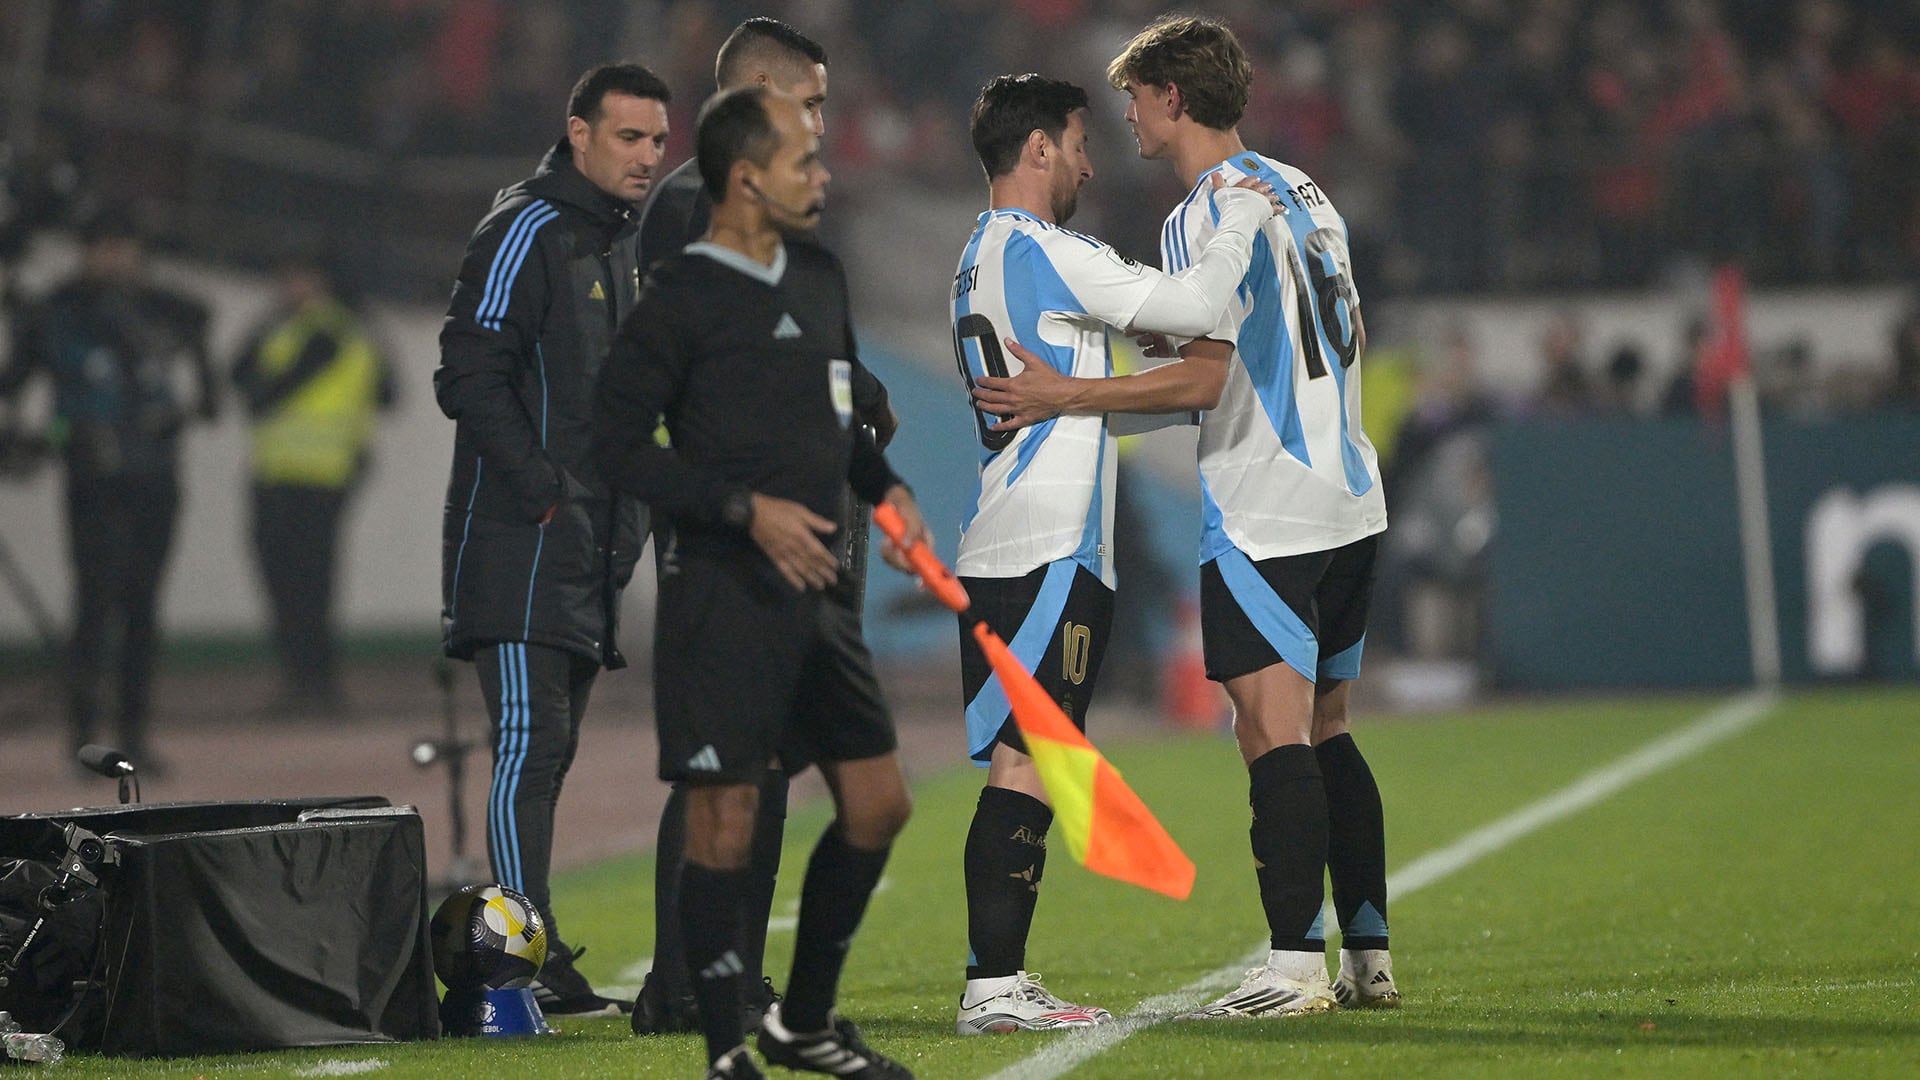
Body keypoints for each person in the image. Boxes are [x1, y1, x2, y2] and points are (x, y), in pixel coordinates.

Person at [970, 15, 1400, 1017]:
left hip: (1266, 506)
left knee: (1269, 727)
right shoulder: (1304, 189)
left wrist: (1069, 397)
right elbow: (1317, 331)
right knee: (1331, 726)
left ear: (1173, 97)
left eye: (1133, 98)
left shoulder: (1202, 212)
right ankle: (1369, 956)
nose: (1123, 118)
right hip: (1351, 493)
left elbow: (1204, 379)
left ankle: (1294, 966)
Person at [595, 85, 926, 1080]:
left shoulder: (820, 276)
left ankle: (803, 1024)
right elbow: (613, 447)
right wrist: (744, 510)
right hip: (721, 596)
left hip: (820, 597)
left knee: (879, 805)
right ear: (746, 179)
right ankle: (725, 1052)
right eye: (803, 163)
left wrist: (890, 493)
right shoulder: (680, 299)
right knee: (725, 819)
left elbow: (840, 417)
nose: (823, 178)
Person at [947, 73, 1282, 1034]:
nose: (1091, 163)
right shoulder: (1045, 249)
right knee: (1030, 764)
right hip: (1050, 544)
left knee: (1031, 759)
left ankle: (999, 980)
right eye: (1079, 143)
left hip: (1009, 537)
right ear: (1038, 149)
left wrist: (1166, 396)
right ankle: (994, 986)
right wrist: (1242, 215)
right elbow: (1194, 299)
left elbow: (1076, 404)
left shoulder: (977, 257)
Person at [434, 61, 671, 1017]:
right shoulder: (525, 227)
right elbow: (466, 370)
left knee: (551, 752)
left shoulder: (620, 241)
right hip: (522, 541)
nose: (648, 156)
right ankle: (515, 968)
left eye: (658, 140)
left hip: (589, 546)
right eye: (629, 137)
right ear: (579, 133)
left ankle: (534, 957)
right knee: (529, 748)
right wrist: (541, 489)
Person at [0, 210, 216, 773]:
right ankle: (84, 737)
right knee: (93, 601)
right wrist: (36, 440)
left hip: (155, 474)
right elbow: (14, 385)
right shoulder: (56, 311)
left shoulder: (168, 309)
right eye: (100, 246)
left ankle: (133, 736)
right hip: (91, 478)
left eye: (122, 245)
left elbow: (207, 395)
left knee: (142, 603)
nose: (113, 257)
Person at [231, 250, 394, 715]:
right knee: (288, 578)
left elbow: (263, 393)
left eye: (301, 278)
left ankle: (313, 680)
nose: (291, 288)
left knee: (307, 580)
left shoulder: (331, 331)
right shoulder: (289, 327)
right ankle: (303, 678)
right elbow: (237, 375)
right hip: (276, 471)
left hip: (321, 474)